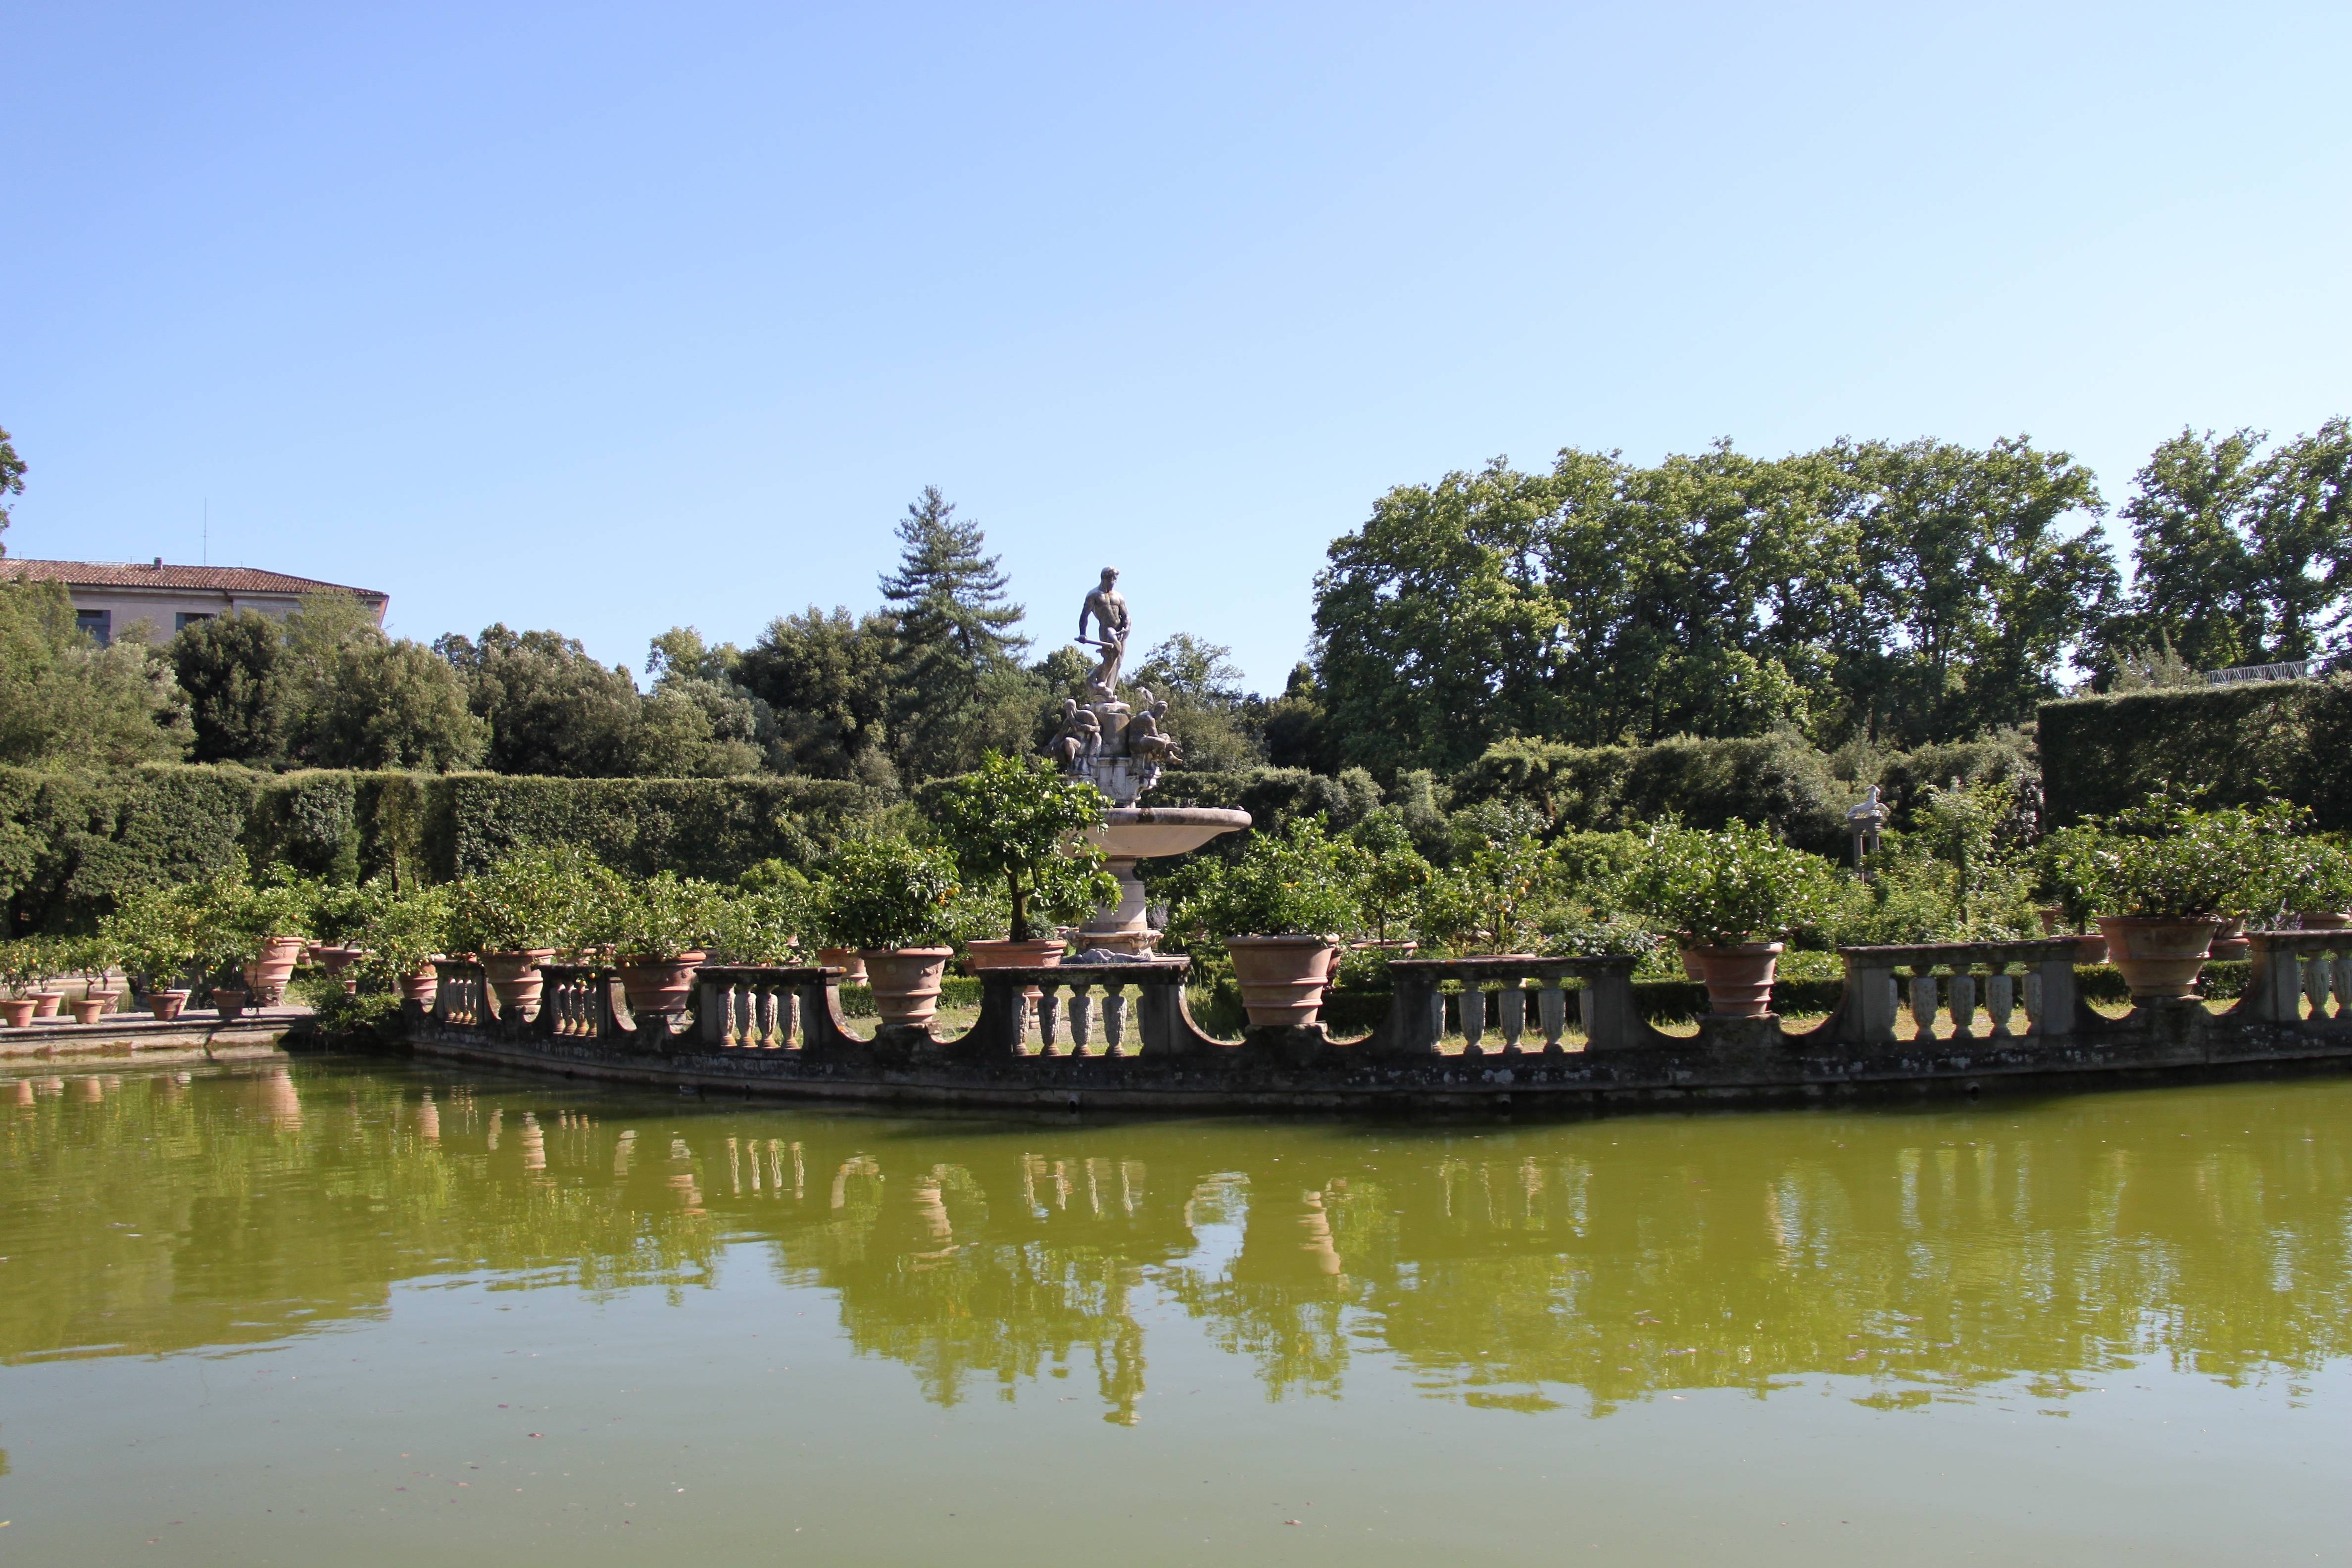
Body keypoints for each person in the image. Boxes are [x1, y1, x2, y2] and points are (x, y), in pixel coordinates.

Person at [1078, 567, 1129, 700]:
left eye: (1116, 580)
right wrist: (1083, 633)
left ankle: (1103, 683)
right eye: (1114, 580)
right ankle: (1102, 679)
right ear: (1106, 578)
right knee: (1116, 649)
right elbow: (1084, 616)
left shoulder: (1118, 596)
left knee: (1116, 661)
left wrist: (1127, 627)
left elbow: (1126, 615)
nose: (1115, 583)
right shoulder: (1094, 595)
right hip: (1107, 629)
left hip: (1120, 631)